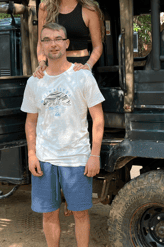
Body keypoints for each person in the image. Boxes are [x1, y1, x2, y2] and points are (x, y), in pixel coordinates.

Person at [21, 23, 105, 247]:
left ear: (67, 43)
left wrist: (94, 155)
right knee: (48, 214)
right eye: (47, 39)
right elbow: (30, 122)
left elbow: (98, 118)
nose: (53, 44)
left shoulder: (83, 76)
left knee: (81, 214)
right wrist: (31, 155)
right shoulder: (34, 82)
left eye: (58, 38)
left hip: (76, 159)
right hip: (45, 159)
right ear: (42, 46)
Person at [34, 0, 104, 78]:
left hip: (79, 69)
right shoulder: (45, 8)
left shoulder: (90, 10)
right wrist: (41, 64)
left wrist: (88, 66)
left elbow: (98, 46)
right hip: (52, 68)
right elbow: (41, 43)